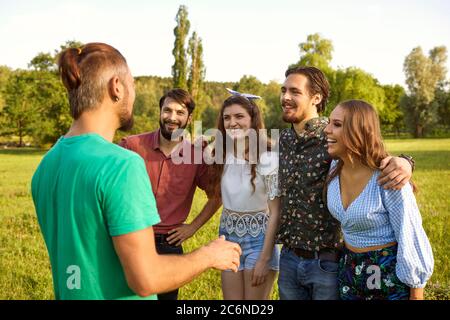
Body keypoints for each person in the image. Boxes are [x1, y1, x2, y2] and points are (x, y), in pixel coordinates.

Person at [31, 43, 241, 300]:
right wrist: (209, 254)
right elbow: (146, 279)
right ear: (116, 87)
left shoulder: (48, 163)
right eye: (133, 84)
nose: (134, 93)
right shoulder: (123, 163)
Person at [264, 66, 415, 300]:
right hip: (289, 258)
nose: (285, 97)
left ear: (316, 97)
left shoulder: (334, 135)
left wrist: (405, 162)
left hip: (326, 262)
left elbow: (370, 155)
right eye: (283, 90)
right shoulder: (282, 140)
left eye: (294, 91)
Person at [324, 99, 434, 300]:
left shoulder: (388, 177)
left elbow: (410, 235)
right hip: (348, 271)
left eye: (337, 125)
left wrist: (417, 293)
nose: (327, 129)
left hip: (387, 274)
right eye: (329, 122)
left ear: (359, 131)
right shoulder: (333, 167)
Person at [119, 88, 222, 300]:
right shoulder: (131, 146)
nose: (172, 118)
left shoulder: (195, 156)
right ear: (160, 112)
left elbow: (217, 195)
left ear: (189, 118)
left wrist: (193, 227)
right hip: (131, 238)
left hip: (169, 244)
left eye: (180, 112)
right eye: (167, 110)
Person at [207, 93, 281, 300]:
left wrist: (264, 259)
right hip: (229, 237)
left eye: (239, 116)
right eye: (227, 118)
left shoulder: (268, 157)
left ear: (253, 120)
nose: (232, 123)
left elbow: (276, 212)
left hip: (260, 240)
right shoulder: (220, 154)